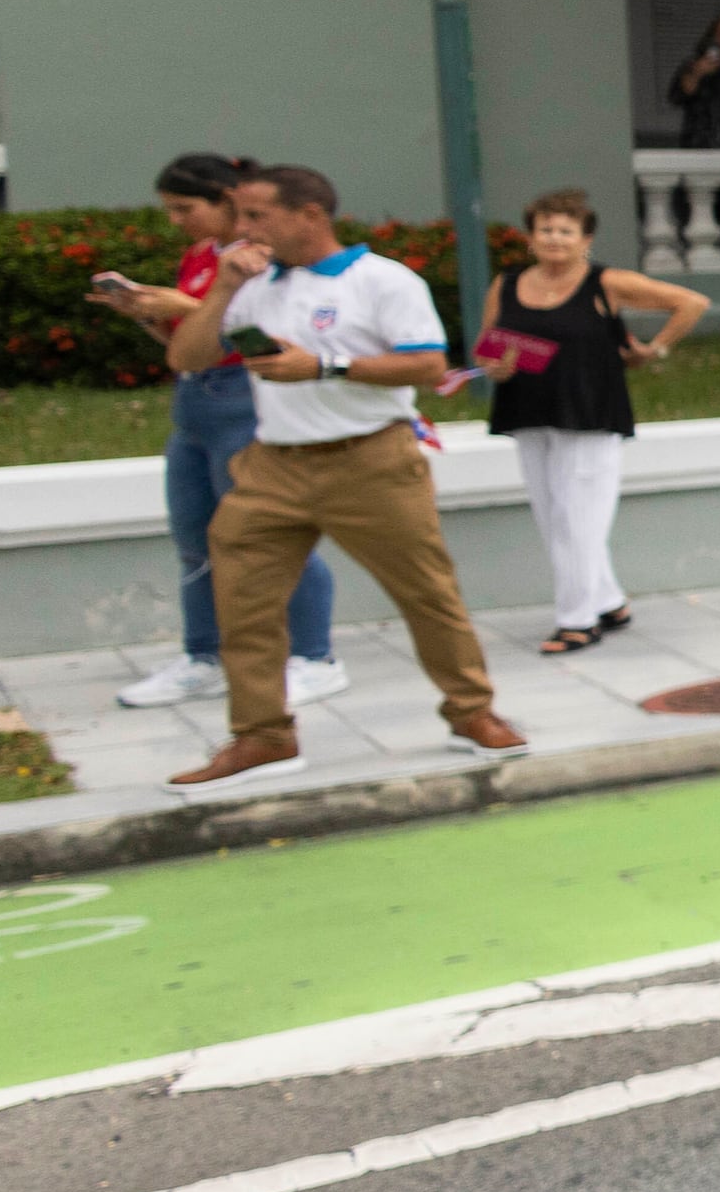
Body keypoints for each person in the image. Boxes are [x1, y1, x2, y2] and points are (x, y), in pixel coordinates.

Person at [158, 166, 530, 787]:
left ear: (310, 216)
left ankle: (472, 713)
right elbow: (186, 358)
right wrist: (222, 293)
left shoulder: (381, 280)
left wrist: (324, 366)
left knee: (427, 594)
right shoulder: (253, 285)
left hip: (370, 463)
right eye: (241, 217)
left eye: (256, 216)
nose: (242, 230)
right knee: (243, 603)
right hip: (272, 464)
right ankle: (262, 736)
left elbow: (428, 365)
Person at [86, 151, 344, 716]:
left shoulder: (260, 261)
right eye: (170, 211)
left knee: (271, 533)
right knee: (195, 535)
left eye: (186, 208)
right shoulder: (200, 256)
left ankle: (313, 657)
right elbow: (191, 345)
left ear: (226, 199)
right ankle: (204, 657)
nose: (177, 221)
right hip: (196, 399)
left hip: (245, 402)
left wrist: (188, 304)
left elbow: (265, 336)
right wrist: (155, 316)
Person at [477, 186, 706, 653]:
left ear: (586, 240)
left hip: (590, 413)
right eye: (546, 229)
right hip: (528, 410)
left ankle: (577, 620)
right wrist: (494, 364)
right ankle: (609, 600)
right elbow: (490, 343)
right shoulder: (508, 282)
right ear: (530, 237)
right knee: (552, 517)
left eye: (566, 231)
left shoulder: (606, 283)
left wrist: (653, 348)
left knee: (579, 519)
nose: (555, 239)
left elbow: (691, 303)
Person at [668, 13, 720, 150]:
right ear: (712, 38)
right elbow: (676, 97)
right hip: (701, 151)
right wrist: (697, 74)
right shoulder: (694, 65)